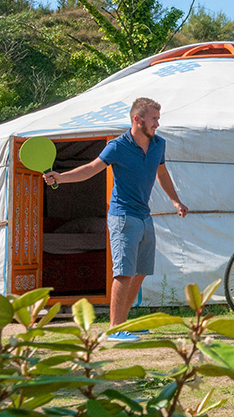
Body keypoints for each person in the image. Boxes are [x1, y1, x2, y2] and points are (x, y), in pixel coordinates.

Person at [44, 97, 189, 341]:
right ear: (137, 119)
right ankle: (114, 329)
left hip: (144, 215)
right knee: (123, 272)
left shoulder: (158, 145)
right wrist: (61, 177)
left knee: (140, 270)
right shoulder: (117, 146)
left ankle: (124, 322)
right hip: (123, 216)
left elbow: (161, 172)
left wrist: (175, 200)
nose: (158, 124)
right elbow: (91, 168)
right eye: (154, 119)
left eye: (158, 119)